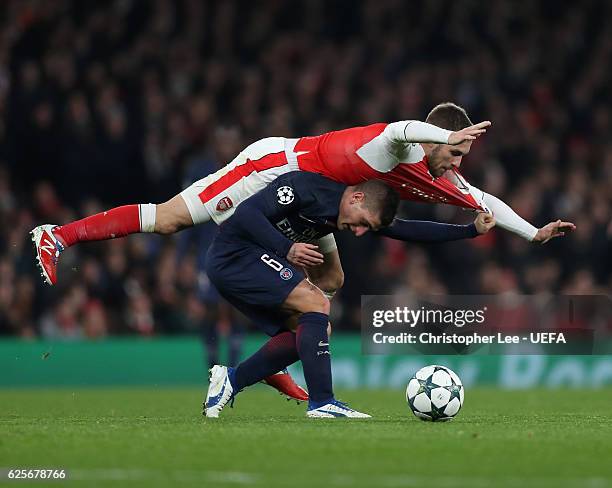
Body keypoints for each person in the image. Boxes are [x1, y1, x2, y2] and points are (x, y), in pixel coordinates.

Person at [202, 171, 494, 418]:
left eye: (367, 228)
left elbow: (407, 230)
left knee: (316, 330)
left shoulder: (348, 210)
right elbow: (247, 214)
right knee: (315, 302)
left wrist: (469, 230)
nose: (358, 232)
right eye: (362, 222)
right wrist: (286, 247)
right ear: (356, 198)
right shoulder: (304, 189)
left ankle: (231, 379)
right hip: (234, 255)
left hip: (249, 260)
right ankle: (323, 402)